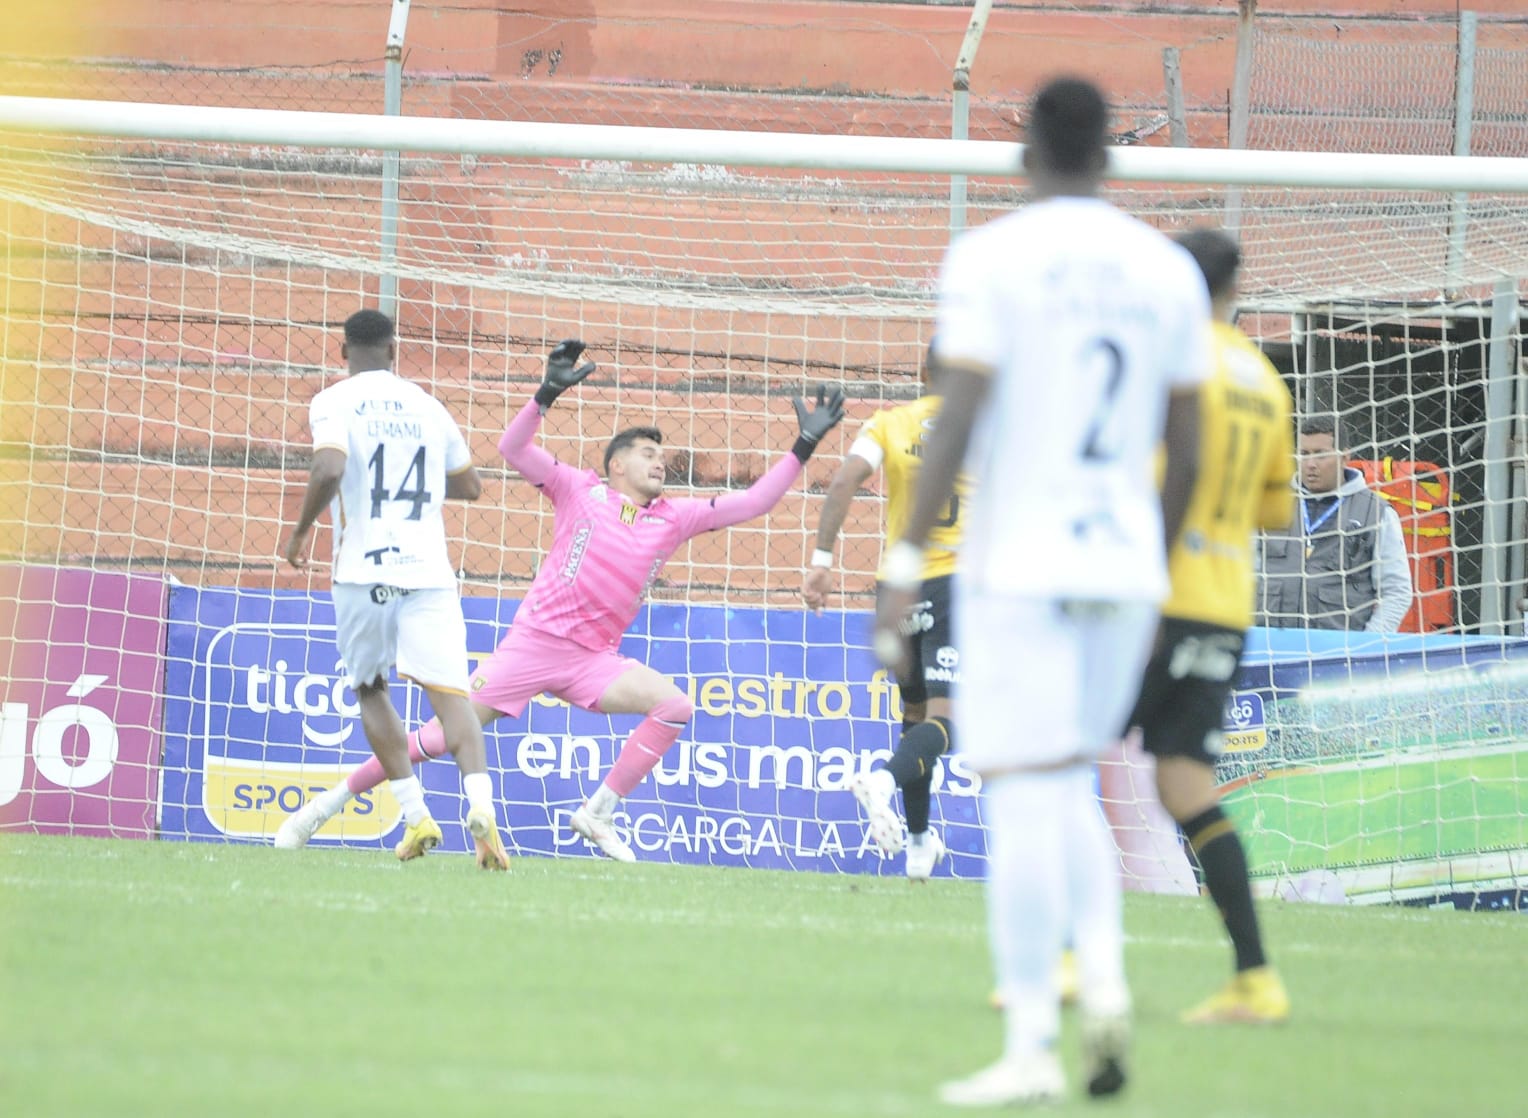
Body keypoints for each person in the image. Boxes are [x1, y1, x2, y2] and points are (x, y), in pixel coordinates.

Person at [872, 77, 1208, 1107]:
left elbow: (956, 416)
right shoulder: (1164, 269)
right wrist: (1150, 550)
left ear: (1026, 154)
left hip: (1017, 561)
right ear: (1112, 155)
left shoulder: (992, 258)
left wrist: (898, 564)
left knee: (1026, 788)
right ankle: (1102, 979)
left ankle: (1030, 1042)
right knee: (1069, 774)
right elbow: (1187, 444)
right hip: (1122, 564)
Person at [280, 339, 846, 863]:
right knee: (431, 741)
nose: (660, 463)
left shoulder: (675, 518)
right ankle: (321, 809)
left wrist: (804, 445)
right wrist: (545, 394)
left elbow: (755, 502)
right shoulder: (579, 489)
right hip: (532, 648)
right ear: (616, 464)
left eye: (662, 456)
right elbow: (511, 447)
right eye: (648, 453)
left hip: (592, 660)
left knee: (675, 706)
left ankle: (598, 813)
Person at [1125, 227, 1294, 1023]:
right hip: (1226, 601)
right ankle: (1254, 977)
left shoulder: (1167, 360)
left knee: (1043, 756)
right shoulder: (1265, 378)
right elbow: (1276, 507)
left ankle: (1061, 961)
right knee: (1183, 782)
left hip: (1154, 596)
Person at [280, 308, 509, 871]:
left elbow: (330, 468)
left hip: (364, 570)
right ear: (393, 350)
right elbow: (472, 485)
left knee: (372, 688)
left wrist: (302, 529)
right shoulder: (428, 405)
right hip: (428, 569)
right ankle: (481, 809)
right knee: (451, 699)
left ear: (343, 352)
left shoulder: (333, 401)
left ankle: (415, 814)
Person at [803, 340, 966, 881]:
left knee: (915, 713)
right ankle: (884, 781)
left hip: (895, 588)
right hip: (955, 584)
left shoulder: (888, 423)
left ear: (924, 372)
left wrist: (822, 560)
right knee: (945, 721)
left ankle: (919, 843)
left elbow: (847, 479)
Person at [1257, 416, 1412, 632]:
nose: (1310, 464)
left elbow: (1397, 591)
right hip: (1271, 646)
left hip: (1338, 652)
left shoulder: (1375, 512)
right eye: (1304, 454)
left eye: (1321, 455)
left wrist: (1367, 645)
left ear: (1344, 458)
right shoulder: (1270, 504)